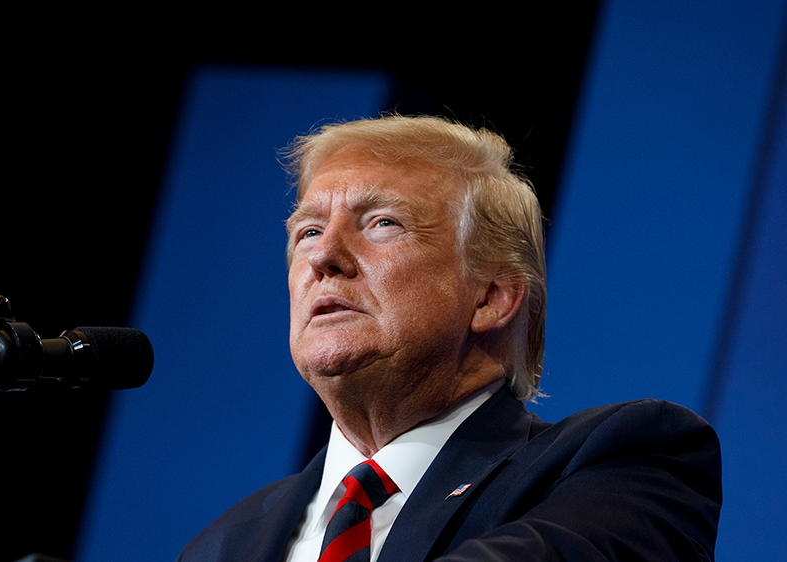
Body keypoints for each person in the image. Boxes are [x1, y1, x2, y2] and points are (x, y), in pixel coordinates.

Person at [178, 115, 721, 562]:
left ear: (491, 297)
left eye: (383, 223)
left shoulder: (623, 461)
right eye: (309, 232)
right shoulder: (222, 546)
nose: (323, 257)